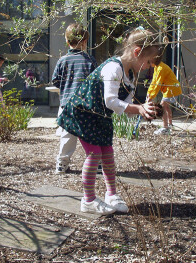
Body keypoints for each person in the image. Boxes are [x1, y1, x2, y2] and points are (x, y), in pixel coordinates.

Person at [57, 28, 160, 215]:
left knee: (107, 153)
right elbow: (110, 100)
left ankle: (111, 194)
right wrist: (138, 108)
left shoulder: (130, 76)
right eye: (148, 61)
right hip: (83, 113)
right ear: (137, 52)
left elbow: (125, 106)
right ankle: (88, 200)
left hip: (100, 117)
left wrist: (142, 110)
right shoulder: (113, 68)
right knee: (94, 154)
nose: (149, 66)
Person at [52, 23, 97, 174]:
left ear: (66, 41)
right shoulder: (90, 60)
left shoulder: (62, 61)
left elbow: (56, 81)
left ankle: (62, 164)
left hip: (67, 105)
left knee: (67, 136)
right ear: (84, 42)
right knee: (89, 135)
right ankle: (95, 163)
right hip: (85, 105)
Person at [146, 52, 182, 135]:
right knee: (166, 106)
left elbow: (158, 84)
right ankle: (170, 125)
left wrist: (151, 96)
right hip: (171, 89)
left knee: (163, 105)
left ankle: (165, 128)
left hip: (172, 89)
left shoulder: (161, 68)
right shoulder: (157, 67)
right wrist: (149, 93)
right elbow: (154, 82)